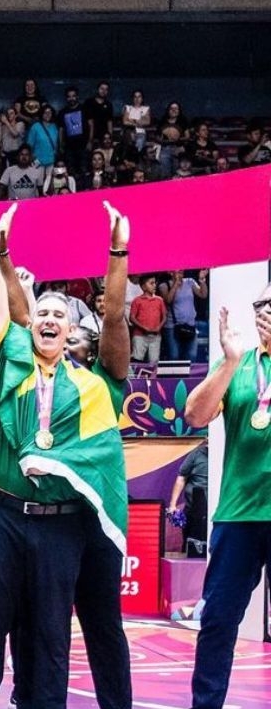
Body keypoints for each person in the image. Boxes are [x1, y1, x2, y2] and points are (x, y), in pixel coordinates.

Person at [0, 154, 132, 709]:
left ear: (71, 332)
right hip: (3, 512)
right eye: (43, 312)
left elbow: (112, 322)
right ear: (31, 323)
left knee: (53, 638)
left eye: (61, 313)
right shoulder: (10, 356)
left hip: (63, 526)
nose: (50, 318)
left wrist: (117, 255)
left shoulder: (90, 388)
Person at [184, 294, 271, 709]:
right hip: (238, 514)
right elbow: (195, 415)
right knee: (218, 619)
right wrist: (231, 362)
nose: (266, 313)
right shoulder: (238, 365)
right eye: (262, 307)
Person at [169, 443, 209, 558]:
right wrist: (173, 505)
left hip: (218, 509)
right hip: (193, 508)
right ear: (207, 439)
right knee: (191, 543)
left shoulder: (226, 452)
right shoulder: (196, 454)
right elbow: (181, 477)